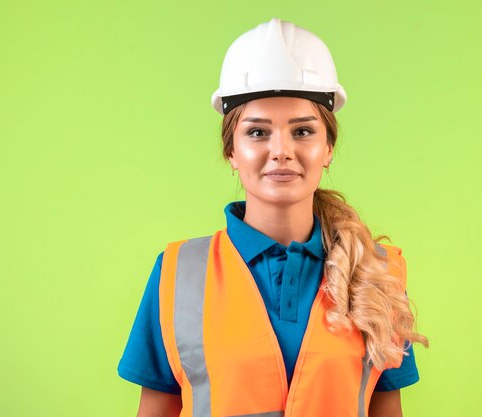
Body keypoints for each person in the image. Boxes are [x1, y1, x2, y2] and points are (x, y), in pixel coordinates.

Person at [118, 17, 428, 417]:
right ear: (231, 151)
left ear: (328, 147)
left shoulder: (375, 275)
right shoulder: (179, 275)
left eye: (302, 132)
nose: (281, 150)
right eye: (258, 132)